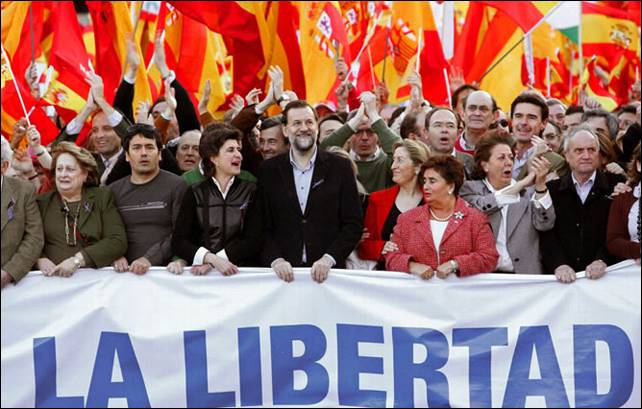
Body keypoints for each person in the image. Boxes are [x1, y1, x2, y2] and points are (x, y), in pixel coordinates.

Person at [256, 100, 363, 283]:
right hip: (281, 278)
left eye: (309, 122)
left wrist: (329, 258)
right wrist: (276, 259)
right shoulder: (268, 171)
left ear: (316, 126)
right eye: (297, 123)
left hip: (330, 277)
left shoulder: (340, 167)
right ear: (285, 129)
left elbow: (353, 224)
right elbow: (259, 225)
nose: (304, 128)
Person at [385, 155, 499, 277]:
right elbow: (392, 257)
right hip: (417, 294)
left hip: (460, 294)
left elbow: (489, 257)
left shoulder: (475, 219)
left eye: (432, 181)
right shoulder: (407, 219)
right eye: (424, 181)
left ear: (451, 186)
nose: (425, 187)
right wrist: (412, 266)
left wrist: (455, 264)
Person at [540, 125, 626, 283]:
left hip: (607, 278)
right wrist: (559, 264)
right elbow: (546, 234)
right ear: (566, 155)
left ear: (599, 154)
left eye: (591, 150)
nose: (586, 155)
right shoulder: (552, 189)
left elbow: (621, 230)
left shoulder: (617, 185)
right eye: (579, 150)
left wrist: (602, 259)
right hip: (560, 281)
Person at [460, 133, 555, 274]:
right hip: (484, 277)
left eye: (511, 157)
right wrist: (526, 181)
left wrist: (540, 186)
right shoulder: (470, 189)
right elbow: (480, 209)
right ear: (485, 165)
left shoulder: (528, 194)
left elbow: (545, 224)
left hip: (523, 278)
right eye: (501, 158)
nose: (509, 162)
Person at [172, 124, 258, 275]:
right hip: (202, 277)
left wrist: (217, 261)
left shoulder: (251, 190)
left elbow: (253, 240)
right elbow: (180, 242)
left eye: (238, 150)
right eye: (230, 150)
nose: (238, 155)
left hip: (243, 276)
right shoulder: (195, 191)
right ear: (214, 158)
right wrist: (210, 259)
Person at [35, 142, 127, 276]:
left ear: (84, 174)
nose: (63, 174)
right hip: (51, 284)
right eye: (59, 169)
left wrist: (77, 260)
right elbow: (27, 239)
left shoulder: (101, 197)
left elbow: (117, 240)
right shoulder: (41, 202)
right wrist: (39, 259)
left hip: (93, 283)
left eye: (70, 169)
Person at [109, 124, 189, 274]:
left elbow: (181, 232)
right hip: (121, 275)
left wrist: (149, 259)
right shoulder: (112, 191)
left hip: (165, 273)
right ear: (126, 155)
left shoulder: (177, 185)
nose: (143, 153)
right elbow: (106, 233)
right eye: (137, 148)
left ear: (159, 154)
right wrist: (114, 255)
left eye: (150, 147)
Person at [358, 140, 430, 267]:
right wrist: (382, 247)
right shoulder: (377, 199)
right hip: (387, 277)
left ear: (418, 167)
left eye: (400, 160)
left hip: (426, 275)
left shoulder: (435, 200)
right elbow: (364, 244)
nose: (393, 166)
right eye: (393, 160)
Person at [320, 91, 403, 193]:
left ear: (378, 134)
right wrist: (355, 121)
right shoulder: (341, 162)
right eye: (358, 132)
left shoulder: (388, 163)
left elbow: (402, 151)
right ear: (349, 135)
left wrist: (374, 115)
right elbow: (323, 152)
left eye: (370, 132)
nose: (364, 137)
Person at [1, 137, 44, 288]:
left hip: (13, 287)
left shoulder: (24, 190)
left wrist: (9, 272)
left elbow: (34, 237)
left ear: (4, 166)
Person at [607, 144, 640, 262]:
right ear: (638, 165)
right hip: (633, 273)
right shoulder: (623, 197)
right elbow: (613, 241)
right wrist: (638, 251)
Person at [422, 106, 475, 178]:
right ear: (426, 132)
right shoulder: (418, 160)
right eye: (438, 125)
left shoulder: (470, 162)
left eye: (450, 126)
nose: (444, 130)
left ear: (458, 133)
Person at [455, 90, 497, 155]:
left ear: (494, 116)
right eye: (472, 108)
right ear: (462, 114)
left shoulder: (503, 149)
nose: (477, 113)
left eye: (483, 109)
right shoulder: (450, 148)